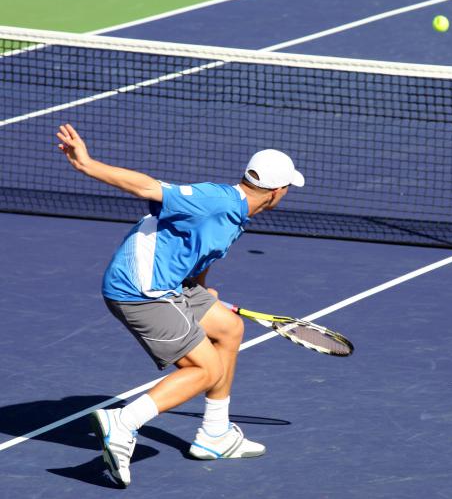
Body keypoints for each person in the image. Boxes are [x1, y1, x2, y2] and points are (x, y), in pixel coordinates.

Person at [56, 123, 305, 488]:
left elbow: (199, 252)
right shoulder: (213, 200)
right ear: (278, 191)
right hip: (139, 290)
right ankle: (123, 422)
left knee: (229, 328)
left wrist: (203, 292)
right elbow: (148, 186)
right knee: (205, 369)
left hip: (173, 285)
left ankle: (215, 435)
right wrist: (87, 165)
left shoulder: (236, 214)